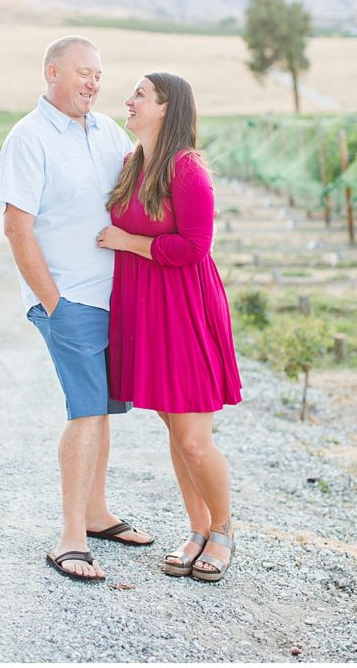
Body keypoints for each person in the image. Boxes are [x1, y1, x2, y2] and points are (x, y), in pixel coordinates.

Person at [0, 35, 154, 583]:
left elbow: (142, 177)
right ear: (52, 73)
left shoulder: (107, 131)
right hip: (69, 299)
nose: (93, 82)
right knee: (85, 410)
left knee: (104, 407)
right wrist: (53, 304)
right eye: (83, 72)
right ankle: (68, 537)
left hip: (114, 296)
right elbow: (18, 228)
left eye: (98, 74)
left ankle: (97, 513)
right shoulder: (29, 138)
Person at [96, 71, 243, 582]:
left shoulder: (187, 169)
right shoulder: (133, 163)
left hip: (184, 310)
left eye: (140, 94)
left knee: (195, 438)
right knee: (175, 431)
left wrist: (125, 242)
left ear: (167, 107)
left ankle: (222, 531)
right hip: (147, 310)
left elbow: (194, 247)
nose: (129, 101)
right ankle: (196, 528)